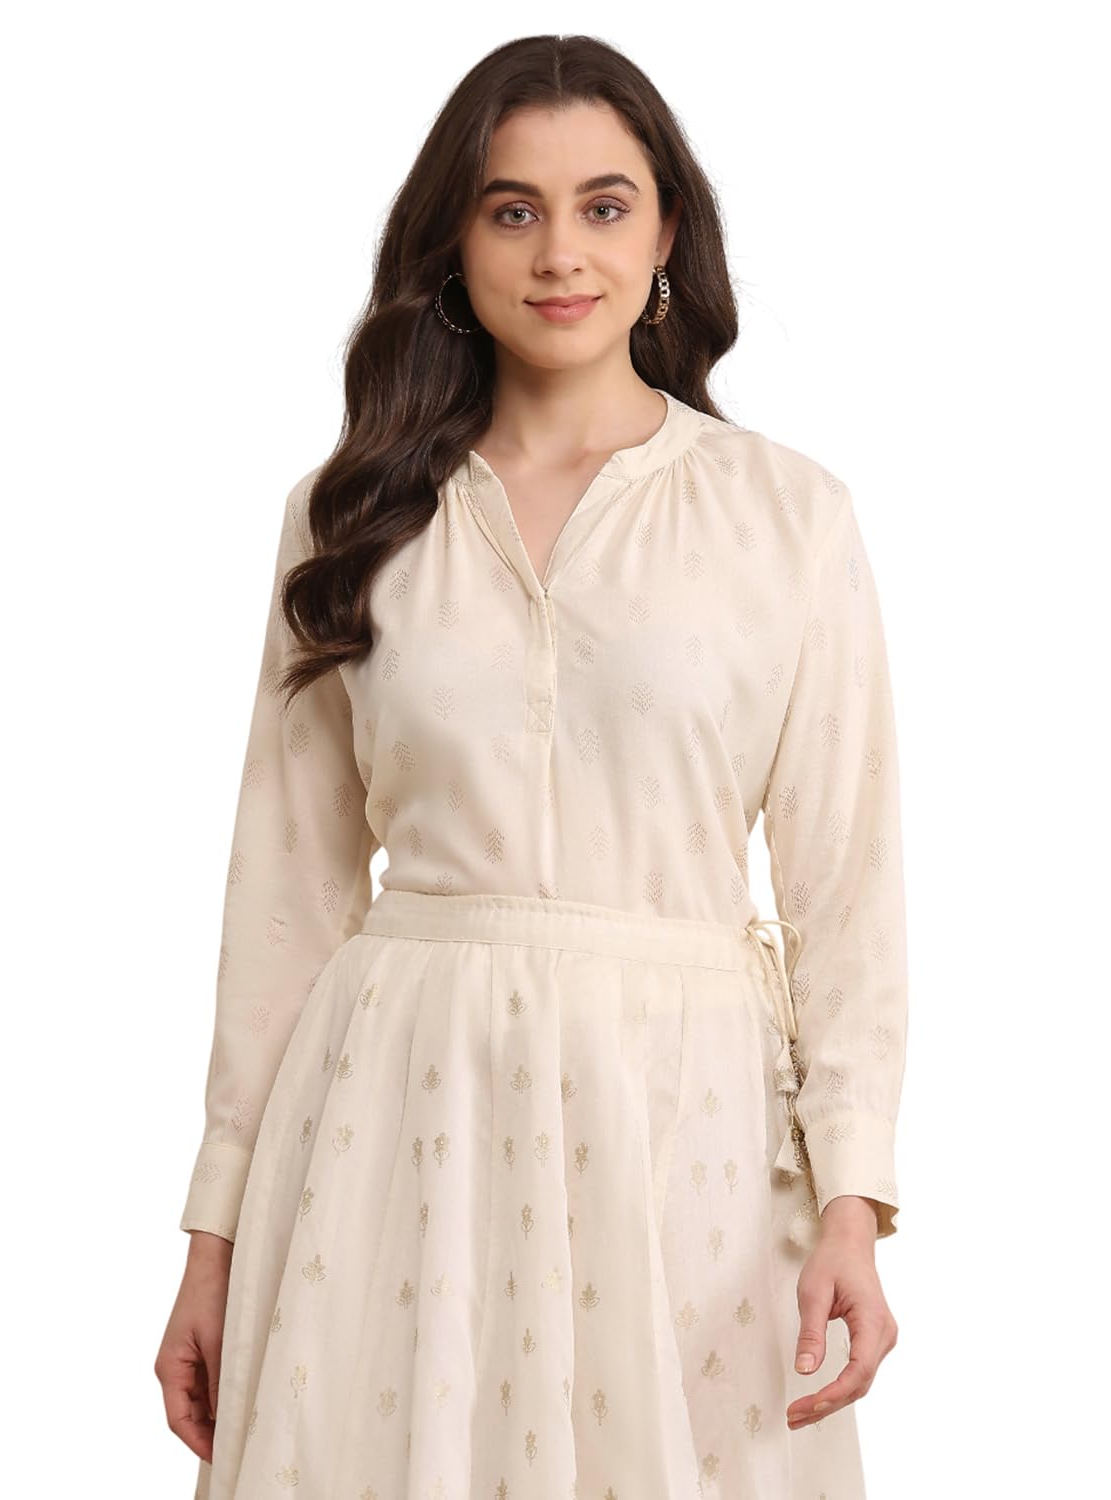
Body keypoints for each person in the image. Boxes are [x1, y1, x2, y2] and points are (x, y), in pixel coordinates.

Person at [155, 33, 908, 1500]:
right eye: (513, 209)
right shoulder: (350, 515)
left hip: (683, 1128)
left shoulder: (786, 518)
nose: (561, 252)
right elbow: (284, 898)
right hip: (397, 1118)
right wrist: (214, 1232)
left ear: (668, 232)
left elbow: (848, 891)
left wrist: (853, 1199)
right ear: (455, 239)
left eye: (604, 206)